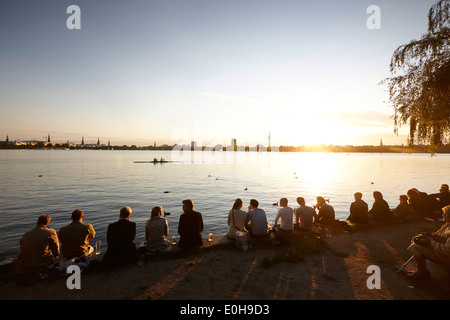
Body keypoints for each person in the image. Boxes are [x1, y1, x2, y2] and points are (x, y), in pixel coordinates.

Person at [406, 205, 450, 279]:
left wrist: (430, 242)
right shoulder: (447, 225)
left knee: (415, 247)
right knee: (418, 241)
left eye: (445, 214)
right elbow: (436, 234)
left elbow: (447, 250)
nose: (443, 215)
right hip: (439, 251)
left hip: (445, 256)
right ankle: (422, 271)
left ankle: (422, 272)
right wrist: (426, 235)